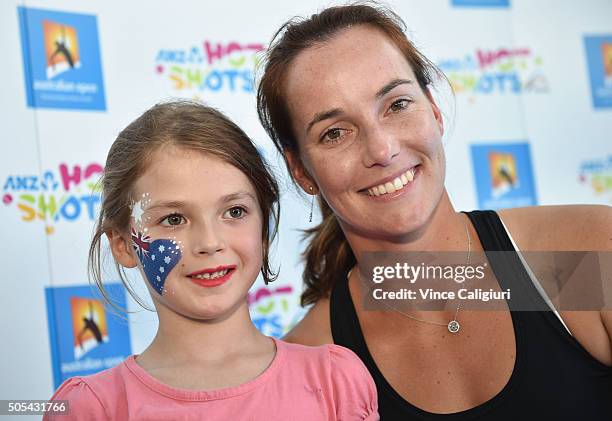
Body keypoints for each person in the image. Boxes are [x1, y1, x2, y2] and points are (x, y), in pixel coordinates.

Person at [256, 4, 612, 420]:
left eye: (396, 105)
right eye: (335, 133)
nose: (382, 150)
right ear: (301, 171)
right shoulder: (312, 361)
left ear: (434, 110)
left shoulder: (578, 258)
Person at [44, 101, 378, 420]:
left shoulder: (335, 381)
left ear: (263, 227)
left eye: (234, 212)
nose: (209, 243)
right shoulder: (93, 408)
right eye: (174, 219)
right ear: (123, 244)